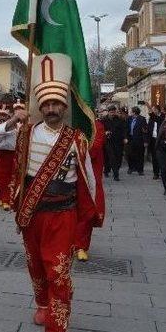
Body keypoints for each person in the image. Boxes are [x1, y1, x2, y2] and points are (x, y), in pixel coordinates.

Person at [0, 55, 102, 332]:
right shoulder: (25, 134)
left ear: (64, 107)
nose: (51, 109)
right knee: (36, 265)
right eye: (47, 104)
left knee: (58, 271)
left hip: (63, 215)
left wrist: (87, 217)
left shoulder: (76, 140)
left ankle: (57, 331)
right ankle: (42, 305)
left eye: (57, 105)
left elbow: (88, 180)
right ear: (40, 106)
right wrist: (13, 119)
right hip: (31, 213)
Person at [75, 112, 106, 262]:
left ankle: (81, 246)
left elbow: (95, 147)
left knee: (86, 211)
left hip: (89, 175)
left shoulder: (97, 126)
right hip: (70, 176)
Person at [0, 102, 21, 211]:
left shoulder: (16, 126)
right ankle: (1, 197)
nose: (1, 117)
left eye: (4, 115)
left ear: (8, 116)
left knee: (11, 177)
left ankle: (7, 199)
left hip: (13, 154)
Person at [103, 105, 127, 181]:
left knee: (119, 157)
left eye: (113, 112)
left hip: (118, 141)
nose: (112, 114)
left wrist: (125, 138)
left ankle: (115, 170)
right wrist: (105, 132)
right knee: (111, 157)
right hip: (108, 141)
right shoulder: (104, 120)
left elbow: (124, 129)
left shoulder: (120, 119)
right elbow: (101, 130)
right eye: (111, 112)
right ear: (108, 112)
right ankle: (115, 174)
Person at [126, 106, 148, 175]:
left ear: (134, 112)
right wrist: (125, 138)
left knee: (140, 155)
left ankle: (140, 170)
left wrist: (145, 141)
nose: (130, 113)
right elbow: (126, 129)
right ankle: (131, 168)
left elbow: (145, 131)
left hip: (139, 140)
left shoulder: (142, 119)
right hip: (130, 139)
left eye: (131, 111)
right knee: (130, 154)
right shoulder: (129, 119)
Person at [146, 104, 165, 179]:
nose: (152, 111)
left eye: (153, 109)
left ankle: (162, 171)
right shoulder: (151, 118)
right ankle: (155, 173)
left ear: (157, 110)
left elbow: (156, 118)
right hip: (153, 139)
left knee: (161, 157)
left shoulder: (163, 117)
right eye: (152, 110)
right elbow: (149, 127)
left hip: (160, 140)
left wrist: (149, 108)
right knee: (154, 157)